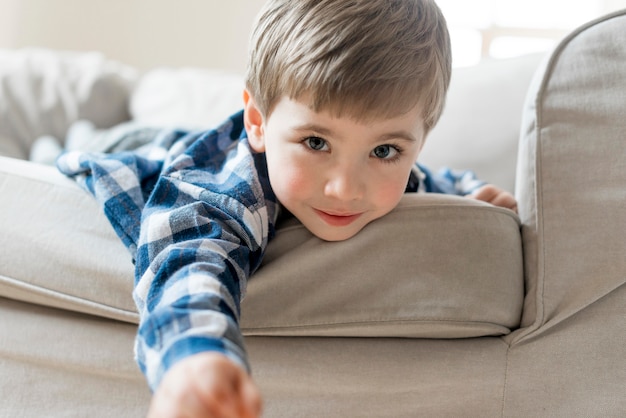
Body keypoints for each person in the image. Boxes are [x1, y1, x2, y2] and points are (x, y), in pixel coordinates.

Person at [57, 0, 516, 416]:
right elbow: (188, 259)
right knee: (74, 144)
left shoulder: (402, 170)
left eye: (383, 152)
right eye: (316, 142)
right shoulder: (223, 194)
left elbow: (436, 179)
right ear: (257, 122)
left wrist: (473, 196)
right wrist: (194, 358)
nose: (344, 188)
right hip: (138, 152)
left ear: (417, 142)